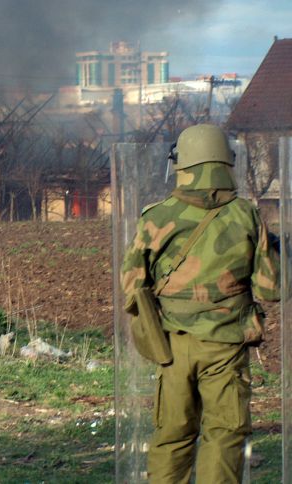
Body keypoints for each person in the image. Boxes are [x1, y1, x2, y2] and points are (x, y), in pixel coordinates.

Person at [121, 124, 280, 483]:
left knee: (172, 435)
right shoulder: (247, 215)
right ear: (226, 161)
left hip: (171, 346)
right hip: (226, 344)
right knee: (224, 435)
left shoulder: (155, 216)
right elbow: (271, 289)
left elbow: (131, 286)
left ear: (183, 164)